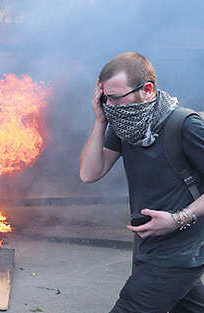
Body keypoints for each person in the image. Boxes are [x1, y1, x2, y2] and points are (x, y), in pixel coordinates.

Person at [79, 52, 204, 313]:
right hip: (149, 247)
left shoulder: (184, 125)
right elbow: (89, 173)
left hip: (181, 251)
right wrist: (100, 120)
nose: (110, 105)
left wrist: (177, 218)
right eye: (104, 98)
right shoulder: (124, 126)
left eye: (115, 97)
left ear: (147, 90)